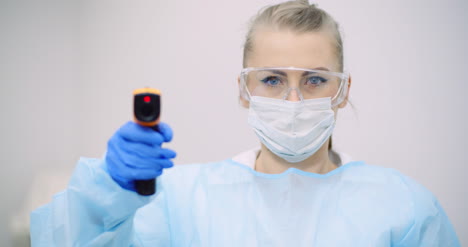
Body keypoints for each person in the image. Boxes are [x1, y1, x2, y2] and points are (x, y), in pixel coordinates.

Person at [30, 1, 461, 246]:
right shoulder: (181, 203)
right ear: (243, 89)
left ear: (343, 91)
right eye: (272, 79)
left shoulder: (404, 208)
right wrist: (110, 192)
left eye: (314, 80)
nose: (293, 101)